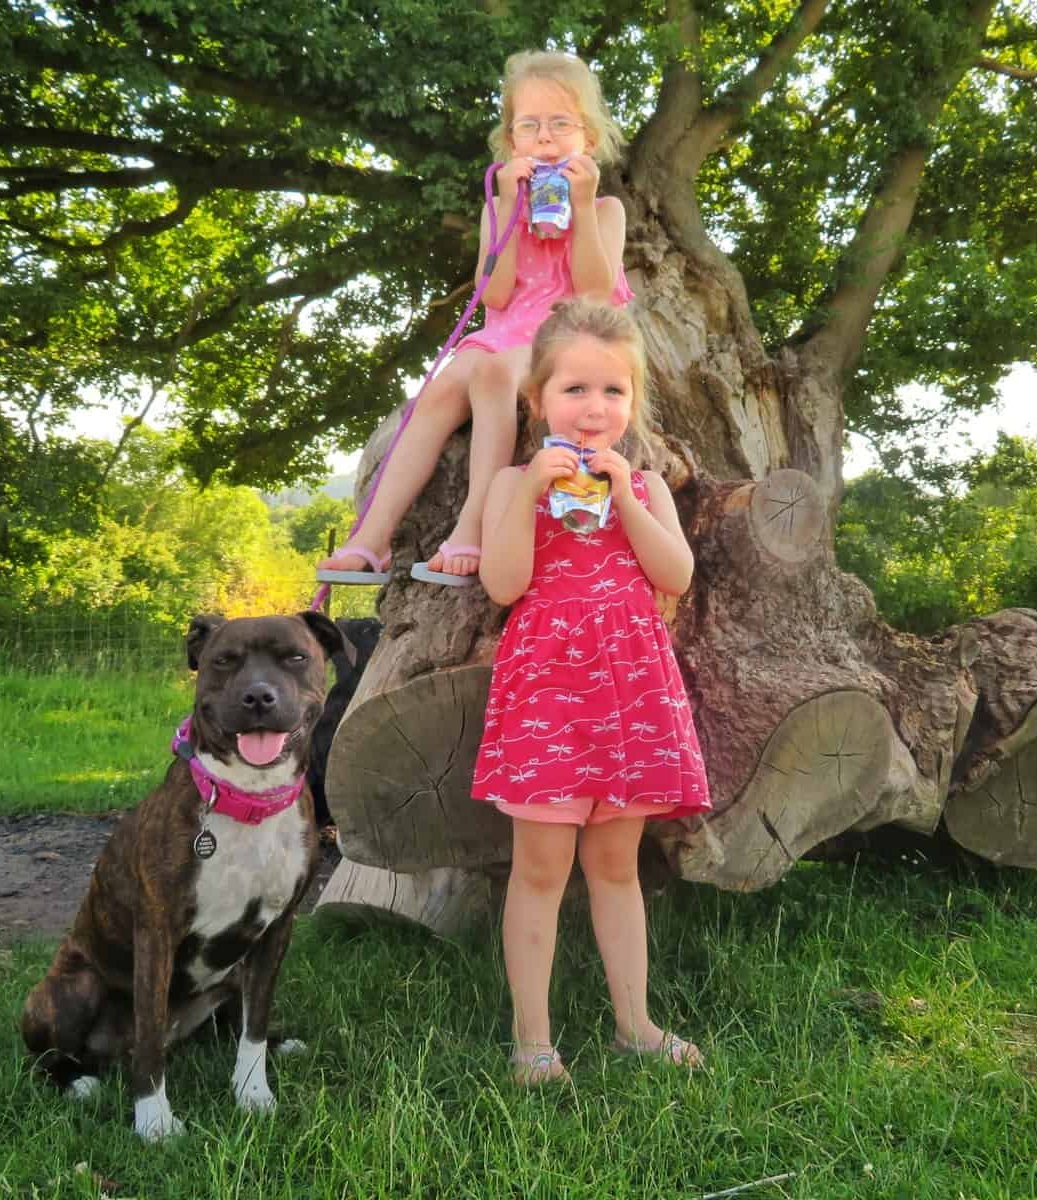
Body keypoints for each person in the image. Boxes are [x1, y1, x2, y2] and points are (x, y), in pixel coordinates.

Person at [472, 298, 712, 1085]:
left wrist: (629, 497)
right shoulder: (514, 481)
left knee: (616, 866)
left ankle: (633, 1024)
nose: (593, 408)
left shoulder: (645, 485)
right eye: (574, 389)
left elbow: (673, 576)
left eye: (612, 391)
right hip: (548, 689)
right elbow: (504, 585)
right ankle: (531, 1042)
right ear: (537, 400)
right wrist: (528, 490)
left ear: (631, 404)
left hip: (631, 691)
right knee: (539, 870)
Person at [316, 49, 632, 587]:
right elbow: (499, 293)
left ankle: (475, 524)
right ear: (511, 142)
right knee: (438, 393)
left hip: (572, 332)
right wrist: (508, 208)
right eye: (529, 126)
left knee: (491, 374)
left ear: (590, 140)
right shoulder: (498, 210)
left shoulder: (605, 211)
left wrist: (578, 207)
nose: (546, 139)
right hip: (509, 327)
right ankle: (371, 538)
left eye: (561, 124)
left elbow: (595, 294)